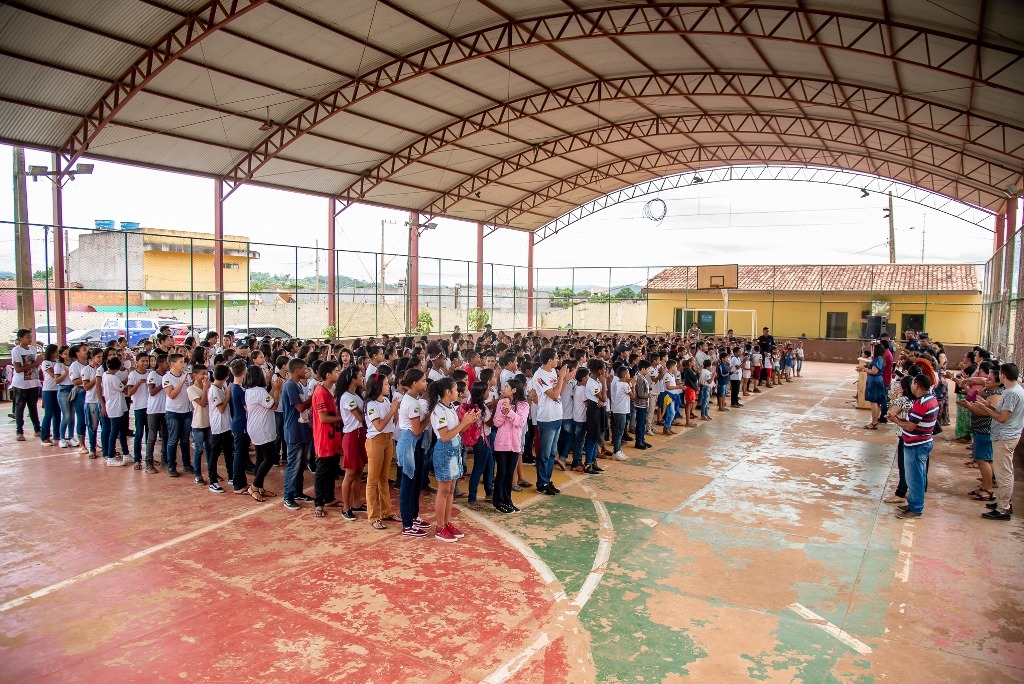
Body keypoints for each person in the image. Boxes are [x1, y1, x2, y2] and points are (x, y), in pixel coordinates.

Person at [429, 377, 478, 542]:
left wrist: (469, 421)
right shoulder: (438, 410)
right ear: (448, 392)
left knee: (450, 490)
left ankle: (447, 523)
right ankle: (439, 527)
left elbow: (457, 431)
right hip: (445, 451)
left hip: (454, 450)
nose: (458, 392)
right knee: (443, 491)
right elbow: (444, 436)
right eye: (456, 389)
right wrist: (463, 422)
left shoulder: (450, 407)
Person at [973, 362, 1023, 521]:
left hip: (1005, 437)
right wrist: (989, 405)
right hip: (1007, 435)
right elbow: (1003, 413)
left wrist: (986, 409)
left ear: (1003, 375)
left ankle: (1003, 508)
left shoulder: (1011, 393)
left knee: (1003, 474)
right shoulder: (1014, 390)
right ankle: (1004, 501)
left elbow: (1002, 418)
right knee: (1005, 471)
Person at [887, 373, 938, 519]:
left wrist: (896, 421)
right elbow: (914, 421)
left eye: (912, 384)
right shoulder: (930, 399)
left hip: (916, 444)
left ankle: (916, 508)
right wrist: (899, 419)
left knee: (914, 478)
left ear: (917, 385)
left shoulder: (921, 403)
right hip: (921, 441)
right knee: (916, 476)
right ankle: (913, 503)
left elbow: (910, 426)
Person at [396, 368, 430, 537]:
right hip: (409, 443)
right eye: (423, 380)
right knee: (408, 484)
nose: (425, 383)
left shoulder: (413, 399)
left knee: (416, 482)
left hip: (414, 444)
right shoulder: (411, 403)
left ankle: (414, 516)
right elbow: (416, 430)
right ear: (414, 383)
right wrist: (428, 417)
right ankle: (407, 524)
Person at [532, 348, 568, 496]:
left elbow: (559, 392)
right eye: (556, 358)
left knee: (552, 453)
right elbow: (553, 394)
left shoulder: (553, 372)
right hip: (547, 418)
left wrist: (565, 379)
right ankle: (542, 484)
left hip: (557, 415)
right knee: (545, 454)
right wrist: (561, 378)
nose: (558, 360)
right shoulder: (539, 375)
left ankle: (547, 480)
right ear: (549, 360)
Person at [363, 369, 396, 527]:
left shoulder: (386, 401)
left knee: (384, 478)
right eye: (386, 384)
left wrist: (395, 410)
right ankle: (373, 516)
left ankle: (386, 511)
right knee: (372, 480)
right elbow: (379, 425)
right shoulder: (371, 404)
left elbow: (393, 421)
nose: (388, 386)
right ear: (378, 387)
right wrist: (392, 411)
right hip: (376, 440)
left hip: (387, 439)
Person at [244, 364, 282, 502]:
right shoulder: (259, 391)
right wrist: (277, 390)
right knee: (270, 458)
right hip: (261, 429)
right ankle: (254, 486)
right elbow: (274, 405)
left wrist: (273, 389)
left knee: (260, 458)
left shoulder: (251, 390)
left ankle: (259, 486)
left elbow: (268, 400)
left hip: (255, 427)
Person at [492, 377, 529, 514]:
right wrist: (503, 413)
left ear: (514, 390)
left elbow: (520, 422)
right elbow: (496, 422)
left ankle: (508, 500)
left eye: (507, 387)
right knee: (501, 473)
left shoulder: (524, 405)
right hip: (502, 444)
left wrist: (510, 412)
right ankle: (498, 501)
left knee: (509, 474)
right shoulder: (502, 402)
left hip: (515, 444)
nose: (504, 389)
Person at [281, 358, 314, 511]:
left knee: (301, 464)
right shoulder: (289, 386)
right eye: (304, 369)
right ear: (296, 371)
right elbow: (300, 407)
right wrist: (313, 398)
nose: (307, 372)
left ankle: (298, 492)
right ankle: (288, 496)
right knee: (293, 464)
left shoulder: (299, 386)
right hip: (294, 430)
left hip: (302, 429)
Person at [311, 361, 343, 518]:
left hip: (333, 437)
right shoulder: (320, 392)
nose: (338, 373)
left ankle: (329, 497)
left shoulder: (331, 390)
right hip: (324, 437)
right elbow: (323, 418)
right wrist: (342, 418)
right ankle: (318, 502)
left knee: (332, 468)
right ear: (328, 375)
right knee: (322, 471)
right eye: (336, 371)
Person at [462, 381, 494, 509]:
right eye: (487, 391)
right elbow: (491, 423)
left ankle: (489, 492)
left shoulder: (473, 404)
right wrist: (496, 409)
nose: (489, 393)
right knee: (479, 468)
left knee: (489, 465)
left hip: (481, 439)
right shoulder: (481, 409)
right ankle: (472, 499)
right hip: (482, 439)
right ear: (482, 393)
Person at [162, 354, 192, 478]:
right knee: (173, 439)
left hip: (186, 411)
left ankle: (187, 464)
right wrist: (182, 382)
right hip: (173, 412)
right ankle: (171, 466)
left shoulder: (186, 375)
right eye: (181, 362)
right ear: (173, 364)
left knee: (185, 439)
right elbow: (172, 395)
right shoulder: (167, 377)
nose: (183, 364)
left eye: (183, 362)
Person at [11, 328, 41, 441]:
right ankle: (19, 431)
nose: (30, 339)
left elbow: (36, 365)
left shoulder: (32, 349)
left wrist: (38, 363)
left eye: (31, 337)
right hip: (21, 384)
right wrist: (35, 363)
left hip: (33, 382)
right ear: (20, 338)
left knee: (33, 406)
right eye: (27, 337)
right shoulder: (16, 350)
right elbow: (18, 369)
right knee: (20, 407)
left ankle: (37, 429)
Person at [206, 363, 233, 492]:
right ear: (226, 377)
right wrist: (227, 395)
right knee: (215, 454)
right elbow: (221, 409)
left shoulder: (221, 387)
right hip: (218, 426)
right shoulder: (214, 389)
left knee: (228, 452)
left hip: (226, 425)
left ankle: (231, 476)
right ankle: (213, 481)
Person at [186, 364, 212, 485]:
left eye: (206, 374)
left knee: (210, 449)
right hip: (198, 423)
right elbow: (202, 403)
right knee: (199, 450)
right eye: (202, 374)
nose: (205, 376)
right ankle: (197, 474)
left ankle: (212, 472)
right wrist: (206, 388)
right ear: (195, 375)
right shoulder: (191, 389)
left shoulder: (209, 387)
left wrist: (207, 388)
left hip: (209, 422)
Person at [100, 356, 128, 466]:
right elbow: (122, 388)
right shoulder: (113, 378)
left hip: (114, 406)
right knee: (114, 432)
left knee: (122, 430)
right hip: (115, 407)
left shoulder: (105, 375)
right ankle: (110, 457)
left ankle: (126, 453)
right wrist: (130, 381)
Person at [39, 344, 63, 446]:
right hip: (48, 390)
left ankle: (57, 434)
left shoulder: (58, 362)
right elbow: (53, 374)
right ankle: (44, 437)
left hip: (58, 390)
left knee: (57, 413)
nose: (57, 354)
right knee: (48, 413)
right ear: (51, 353)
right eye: (55, 352)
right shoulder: (46, 363)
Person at [860, 343, 886, 429]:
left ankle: (874, 422)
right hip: (877, 380)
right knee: (877, 402)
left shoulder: (878, 359)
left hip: (874, 381)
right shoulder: (880, 358)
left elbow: (874, 371)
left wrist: (863, 369)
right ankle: (875, 421)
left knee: (874, 402)